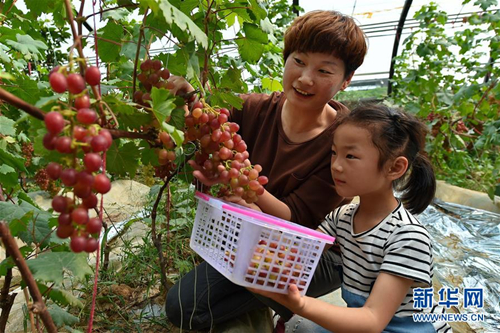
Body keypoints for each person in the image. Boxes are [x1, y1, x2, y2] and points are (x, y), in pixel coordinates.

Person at [165, 10, 368, 331]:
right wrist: (187, 96)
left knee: (208, 308)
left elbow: (297, 218)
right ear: (286, 60)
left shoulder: (344, 142)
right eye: (299, 61)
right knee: (182, 308)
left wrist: (248, 187)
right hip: (254, 237)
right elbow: (207, 121)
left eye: (324, 70)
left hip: (313, 253)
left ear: (346, 81)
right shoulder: (253, 108)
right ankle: (266, 303)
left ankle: (283, 308)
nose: (305, 78)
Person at [251, 104, 452, 332]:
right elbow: (299, 253)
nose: (336, 166)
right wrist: (252, 214)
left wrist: (300, 303)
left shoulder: (407, 237)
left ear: (395, 168)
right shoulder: (342, 217)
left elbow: (373, 320)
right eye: (334, 153)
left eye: (351, 156)